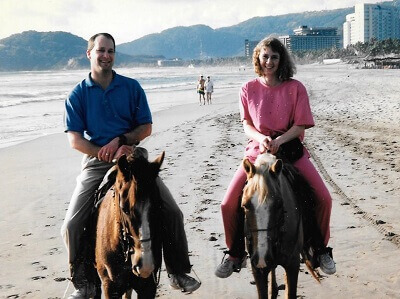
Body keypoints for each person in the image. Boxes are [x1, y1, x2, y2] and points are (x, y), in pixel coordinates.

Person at [61, 33, 200, 298]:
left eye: (110, 51)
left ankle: (178, 271)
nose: (106, 55)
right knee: (70, 224)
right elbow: (75, 140)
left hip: (133, 157)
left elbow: (145, 127)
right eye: (101, 50)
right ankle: (84, 282)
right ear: (89, 54)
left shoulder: (131, 87)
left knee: (172, 212)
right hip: (96, 161)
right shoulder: (77, 94)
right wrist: (104, 153)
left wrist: (123, 141)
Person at [215, 36, 336, 279]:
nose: (269, 61)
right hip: (257, 153)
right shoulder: (247, 89)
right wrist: (262, 139)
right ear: (258, 58)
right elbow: (247, 124)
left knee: (324, 198)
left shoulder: (295, 88)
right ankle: (235, 253)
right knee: (228, 203)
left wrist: (280, 140)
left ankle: (320, 249)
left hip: (290, 151)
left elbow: (300, 126)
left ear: (282, 60)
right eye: (265, 56)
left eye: (275, 57)